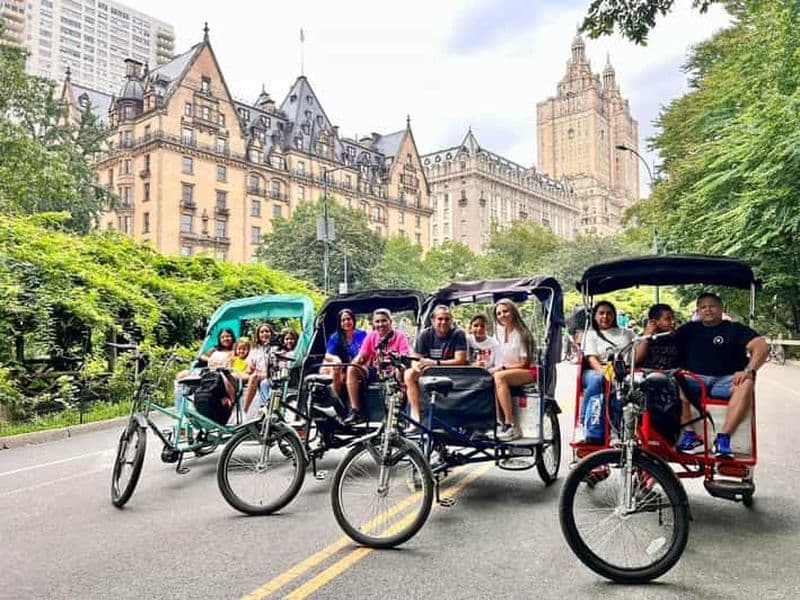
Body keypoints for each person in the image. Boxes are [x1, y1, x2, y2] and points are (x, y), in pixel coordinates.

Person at [674, 293, 769, 458]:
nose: (707, 310)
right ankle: (690, 435)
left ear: (721, 309)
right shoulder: (688, 329)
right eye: (703, 307)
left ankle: (723, 438)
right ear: (698, 311)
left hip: (725, 381)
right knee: (671, 380)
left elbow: (762, 346)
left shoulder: (735, 329)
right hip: (694, 380)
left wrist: (749, 370)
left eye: (712, 306)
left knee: (746, 382)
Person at [574, 301, 634, 443]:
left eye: (609, 313)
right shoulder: (591, 334)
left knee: (625, 385)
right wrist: (605, 373)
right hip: (596, 369)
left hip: (621, 369)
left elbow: (634, 355)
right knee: (598, 379)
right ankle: (582, 424)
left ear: (614, 316)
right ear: (594, 316)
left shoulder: (626, 333)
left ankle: (616, 431)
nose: (605, 317)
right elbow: (591, 359)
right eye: (601, 313)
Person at [345, 308, 411, 424]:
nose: (381, 324)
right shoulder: (371, 336)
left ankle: (399, 412)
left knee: (400, 371)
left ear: (390, 322)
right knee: (351, 369)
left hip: (394, 371)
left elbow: (404, 358)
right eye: (377, 322)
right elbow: (362, 356)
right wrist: (355, 362)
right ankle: (356, 412)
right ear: (374, 323)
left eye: (384, 321)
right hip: (376, 370)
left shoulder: (400, 336)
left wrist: (397, 364)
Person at [405, 305, 468, 424]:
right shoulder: (424, 335)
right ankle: (415, 417)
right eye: (440, 319)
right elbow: (415, 359)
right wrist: (416, 366)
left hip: (453, 372)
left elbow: (460, 360)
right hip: (428, 371)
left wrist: (435, 363)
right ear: (433, 321)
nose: (443, 322)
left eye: (447, 319)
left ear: (451, 320)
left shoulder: (458, 334)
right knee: (408, 374)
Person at [490, 298, 537, 442]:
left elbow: (524, 363)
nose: (502, 315)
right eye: (498, 313)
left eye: (505, 311)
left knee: (499, 377)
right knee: (488, 377)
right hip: (503, 371)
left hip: (527, 371)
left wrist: (502, 368)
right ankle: (499, 422)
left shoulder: (522, 333)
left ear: (513, 312)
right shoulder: (497, 333)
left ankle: (512, 424)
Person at [321, 308, 367, 398]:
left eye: (348, 319)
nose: (346, 322)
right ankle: (336, 401)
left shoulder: (362, 334)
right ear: (340, 323)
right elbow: (327, 355)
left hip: (359, 367)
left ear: (353, 320)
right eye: (343, 320)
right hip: (342, 367)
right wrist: (335, 358)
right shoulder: (335, 337)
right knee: (335, 371)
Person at [243, 322, 275, 415]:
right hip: (258, 376)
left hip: (271, 375)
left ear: (271, 333)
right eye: (261, 332)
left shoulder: (276, 348)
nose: (264, 333)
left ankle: (264, 407)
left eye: (267, 331)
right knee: (253, 377)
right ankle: (245, 410)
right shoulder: (255, 350)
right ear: (258, 335)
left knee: (262, 381)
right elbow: (249, 367)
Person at [634, 303, 679, 370]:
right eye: (668, 319)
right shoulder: (642, 338)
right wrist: (647, 335)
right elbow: (636, 360)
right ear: (654, 322)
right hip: (646, 376)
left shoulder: (676, 337)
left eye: (673, 318)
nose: (673, 321)